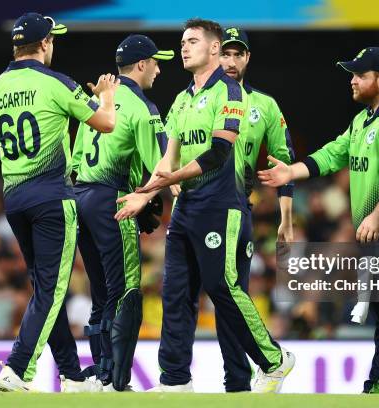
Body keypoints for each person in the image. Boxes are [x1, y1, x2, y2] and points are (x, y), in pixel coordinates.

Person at [116, 18, 294, 393]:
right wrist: (146, 193)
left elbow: (217, 153)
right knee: (175, 294)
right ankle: (175, 380)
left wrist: (167, 182)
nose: (183, 47)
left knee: (223, 286)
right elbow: (168, 160)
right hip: (186, 209)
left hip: (221, 205)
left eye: (192, 41)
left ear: (214, 49)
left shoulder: (231, 93)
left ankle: (275, 359)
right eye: (183, 42)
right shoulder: (182, 99)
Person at [258, 47, 379, 393]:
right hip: (372, 230)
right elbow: (334, 153)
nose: (352, 80)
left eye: (359, 75)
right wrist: (293, 170)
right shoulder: (364, 120)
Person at [0, 12, 118, 392]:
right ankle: (17, 367)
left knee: (45, 287)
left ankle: (72, 375)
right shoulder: (57, 83)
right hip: (52, 196)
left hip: (14, 198)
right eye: (52, 40)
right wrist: (107, 95)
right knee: (54, 288)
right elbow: (106, 123)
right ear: (44, 44)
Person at [71, 33, 173, 391]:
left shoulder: (98, 101)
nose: (159, 70)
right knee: (127, 290)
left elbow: (75, 160)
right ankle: (117, 380)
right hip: (113, 200)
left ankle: (99, 371)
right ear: (142, 64)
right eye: (157, 63)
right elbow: (163, 167)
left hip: (80, 197)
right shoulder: (144, 108)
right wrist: (151, 195)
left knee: (101, 292)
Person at [216, 26, 295, 392]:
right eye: (226, 54)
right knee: (219, 294)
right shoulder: (195, 99)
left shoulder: (264, 105)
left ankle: (242, 378)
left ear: (247, 58)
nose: (231, 62)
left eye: (238, 54)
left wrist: (286, 218)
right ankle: (235, 377)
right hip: (197, 209)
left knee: (232, 294)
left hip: (237, 208)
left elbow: (284, 163)